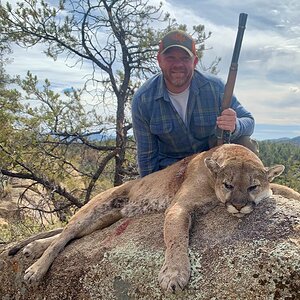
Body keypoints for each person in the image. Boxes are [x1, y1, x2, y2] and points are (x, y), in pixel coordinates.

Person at [132, 30, 258, 177]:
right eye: (170, 58)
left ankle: (249, 193)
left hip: (211, 165)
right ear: (159, 60)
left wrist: (235, 125)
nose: (178, 64)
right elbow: (146, 157)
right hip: (171, 171)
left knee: (245, 143)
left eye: (185, 58)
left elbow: (249, 122)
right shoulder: (143, 100)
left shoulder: (215, 87)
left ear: (195, 62)